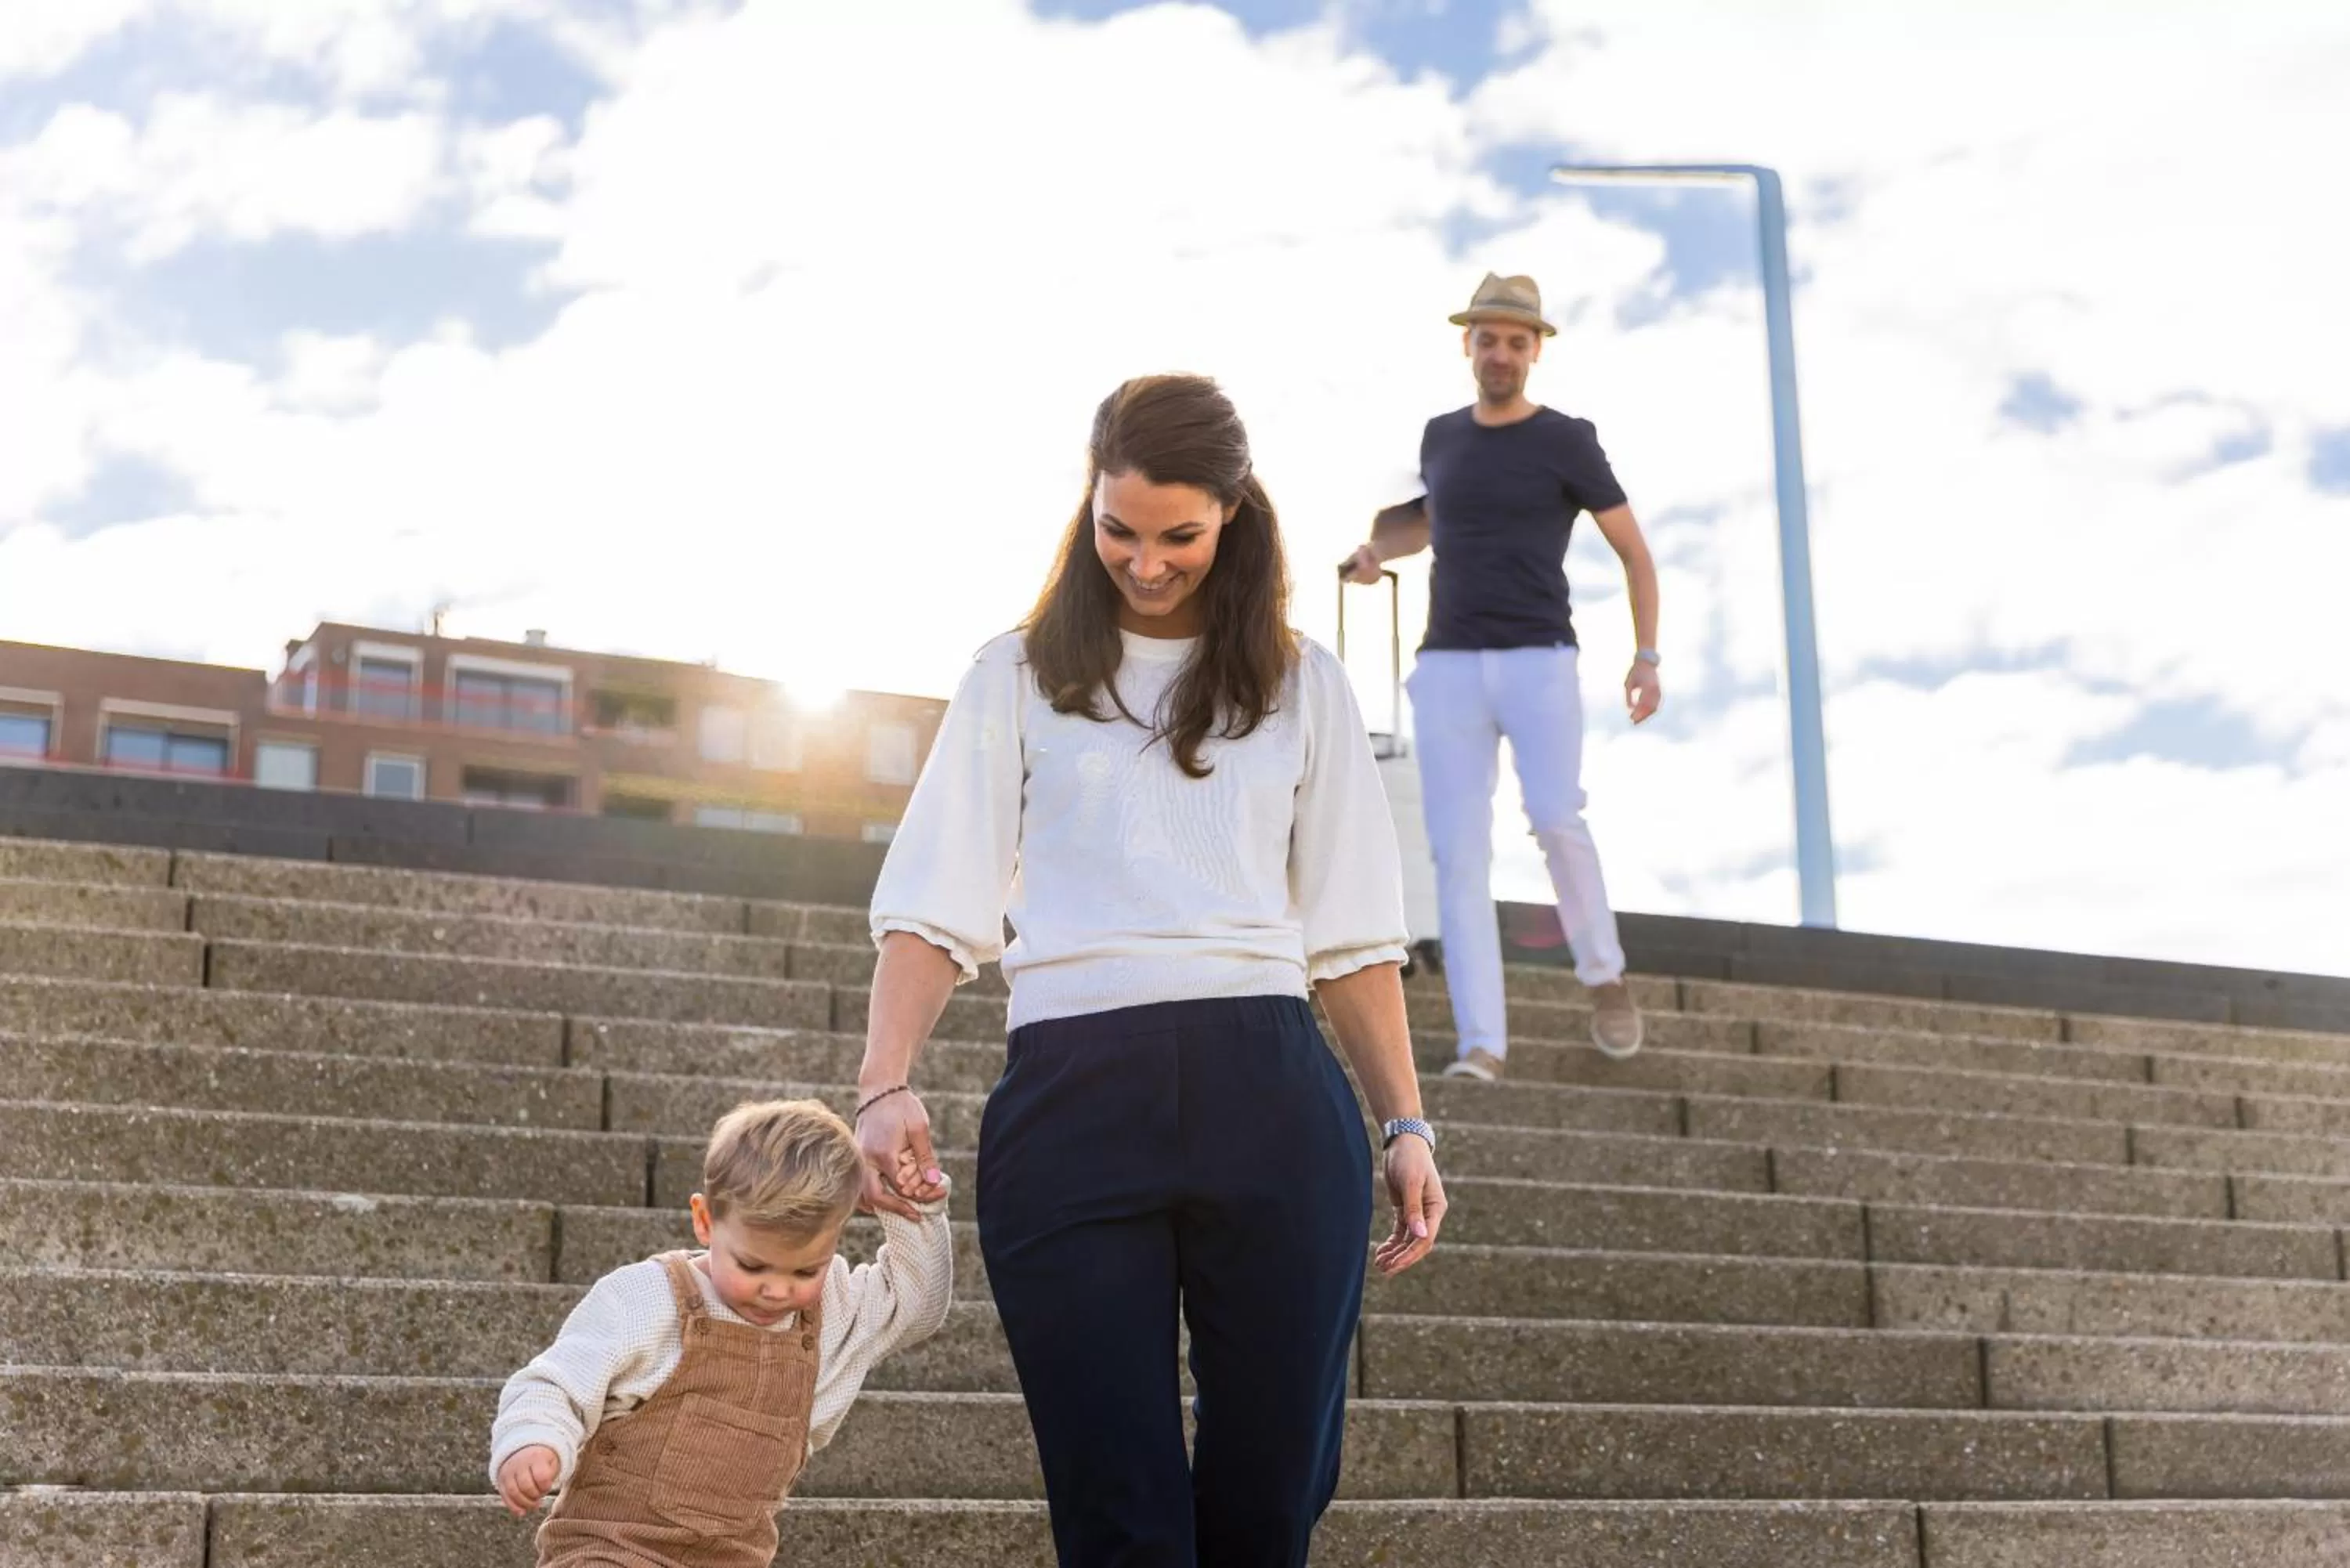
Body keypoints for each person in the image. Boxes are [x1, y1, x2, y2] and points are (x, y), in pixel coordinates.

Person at [854, 374, 1446, 1567]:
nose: (1147, 560)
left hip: (1270, 1088)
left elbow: (1353, 937)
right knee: (1118, 1511)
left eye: (1180, 534)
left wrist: (1405, 1123)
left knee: (1270, 1500)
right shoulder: (1015, 673)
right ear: (1091, 509)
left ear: (1234, 515)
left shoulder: (1301, 683)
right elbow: (935, 894)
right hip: (1074, 1093)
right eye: (1119, 529)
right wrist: (884, 1079)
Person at [1343, 271, 1663, 1080]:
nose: (1501, 353)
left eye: (1517, 341)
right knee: (1457, 852)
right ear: (1469, 345)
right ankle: (1481, 1042)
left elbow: (1633, 551)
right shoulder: (1443, 437)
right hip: (1448, 662)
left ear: (1535, 351)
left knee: (1556, 817)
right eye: (1488, 338)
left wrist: (1646, 653)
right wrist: (1376, 553)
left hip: (1538, 658)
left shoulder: (1567, 440)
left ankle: (1605, 977)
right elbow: (1428, 523)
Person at [488, 1098, 953, 1568]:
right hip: (609, 1550)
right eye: (752, 1265)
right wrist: (535, 1440)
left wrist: (909, 1201)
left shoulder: (832, 1310)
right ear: (706, 1220)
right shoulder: (646, 1299)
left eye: (804, 1271)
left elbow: (916, 1305)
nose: (776, 1290)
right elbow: (557, 1382)